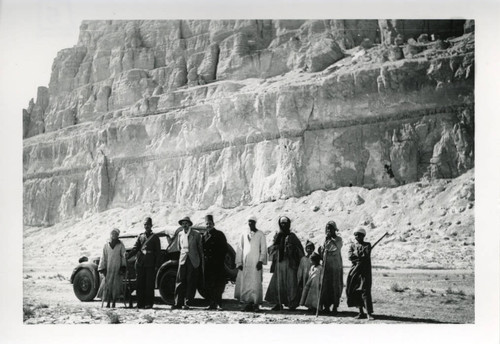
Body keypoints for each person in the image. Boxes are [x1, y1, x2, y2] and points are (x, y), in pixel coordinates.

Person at [264, 216, 305, 311]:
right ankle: (278, 303)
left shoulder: (292, 236)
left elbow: (299, 249)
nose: (283, 225)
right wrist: (276, 246)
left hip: (290, 263)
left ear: (289, 224)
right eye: (282, 223)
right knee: (278, 283)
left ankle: (292, 304)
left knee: (291, 283)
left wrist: (291, 249)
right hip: (280, 262)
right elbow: (272, 249)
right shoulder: (278, 236)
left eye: (285, 223)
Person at [234, 216, 268, 312]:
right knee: (246, 283)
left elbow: (264, 249)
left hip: (256, 263)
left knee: (256, 283)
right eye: (249, 222)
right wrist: (239, 262)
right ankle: (247, 304)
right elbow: (240, 248)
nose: (250, 224)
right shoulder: (244, 234)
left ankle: (256, 304)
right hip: (245, 264)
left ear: (255, 223)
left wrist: (261, 261)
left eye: (252, 222)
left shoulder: (260, 234)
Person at [126, 217, 161, 309]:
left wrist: (157, 265)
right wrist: (128, 256)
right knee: (140, 284)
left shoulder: (155, 237)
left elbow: (158, 252)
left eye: (148, 224)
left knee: (149, 285)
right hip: (140, 263)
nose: (147, 226)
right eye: (145, 224)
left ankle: (149, 303)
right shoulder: (140, 236)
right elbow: (135, 248)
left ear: (151, 225)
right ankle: (140, 303)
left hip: (150, 263)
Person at [172, 216, 203, 310]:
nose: (184, 225)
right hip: (183, 259)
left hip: (193, 260)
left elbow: (200, 248)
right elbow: (179, 247)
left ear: (190, 224)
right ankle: (178, 303)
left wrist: (199, 260)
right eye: (183, 224)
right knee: (180, 281)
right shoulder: (180, 234)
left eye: (186, 223)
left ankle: (188, 302)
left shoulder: (196, 234)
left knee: (191, 281)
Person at [346, 228, 374, 320]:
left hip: (365, 271)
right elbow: (350, 257)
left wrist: (357, 256)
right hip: (355, 271)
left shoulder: (367, 245)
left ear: (363, 236)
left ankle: (369, 313)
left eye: (359, 235)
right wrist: (359, 256)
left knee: (365, 291)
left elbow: (365, 255)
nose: (357, 236)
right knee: (355, 291)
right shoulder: (352, 246)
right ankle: (360, 312)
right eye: (356, 235)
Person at [202, 214, 228, 310]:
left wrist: (219, 261)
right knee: (209, 284)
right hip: (208, 264)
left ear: (213, 224)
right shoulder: (204, 235)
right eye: (207, 224)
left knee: (218, 284)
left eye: (210, 223)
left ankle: (219, 304)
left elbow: (224, 249)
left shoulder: (219, 234)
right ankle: (212, 303)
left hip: (217, 264)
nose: (208, 225)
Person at [318, 220, 343, 315]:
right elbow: (321, 250)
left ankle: (335, 307)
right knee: (325, 286)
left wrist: (330, 240)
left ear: (335, 230)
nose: (329, 230)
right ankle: (326, 306)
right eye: (328, 229)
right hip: (326, 266)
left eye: (331, 229)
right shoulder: (324, 239)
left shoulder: (338, 239)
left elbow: (336, 248)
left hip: (335, 266)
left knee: (335, 286)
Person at [98, 228, 127, 308]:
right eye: (112, 234)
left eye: (116, 234)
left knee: (116, 285)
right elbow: (103, 257)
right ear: (110, 235)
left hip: (117, 268)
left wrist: (123, 267)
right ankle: (108, 302)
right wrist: (102, 268)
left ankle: (114, 302)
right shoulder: (106, 245)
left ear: (118, 235)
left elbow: (123, 257)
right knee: (108, 285)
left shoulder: (120, 245)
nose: (114, 235)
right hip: (108, 268)